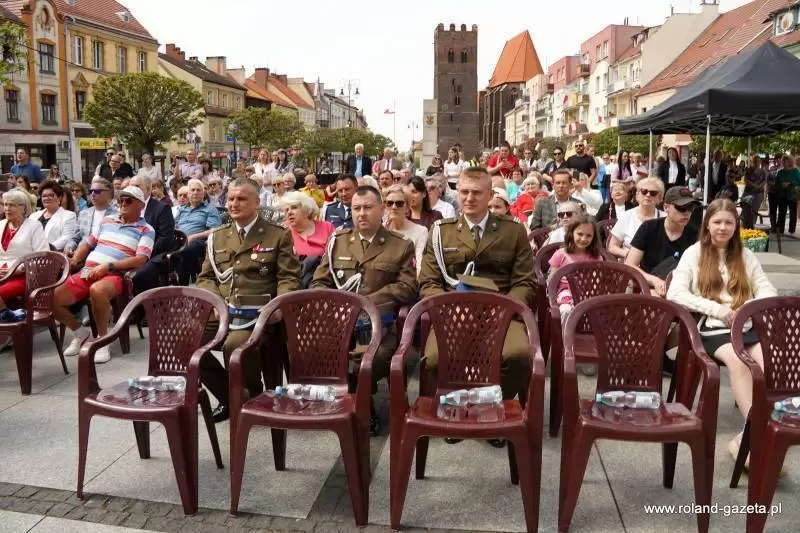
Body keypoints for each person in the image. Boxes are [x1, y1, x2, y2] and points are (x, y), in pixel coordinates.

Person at [418, 166, 535, 448]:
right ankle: (458, 407)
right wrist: (451, 312)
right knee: (434, 359)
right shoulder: (441, 232)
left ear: (489, 195)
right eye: (464, 192)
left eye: (476, 193)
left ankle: (492, 408)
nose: (469, 198)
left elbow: (525, 282)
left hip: (501, 313)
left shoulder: (513, 231)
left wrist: (504, 311)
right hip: (454, 314)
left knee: (518, 356)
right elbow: (429, 282)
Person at [667, 199, 776, 466]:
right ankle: (758, 436)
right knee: (738, 362)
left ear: (736, 225)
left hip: (745, 326)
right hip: (711, 328)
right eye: (717, 222)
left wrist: (746, 308)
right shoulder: (694, 253)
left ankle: (751, 433)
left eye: (729, 222)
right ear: (707, 224)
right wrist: (719, 310)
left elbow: (767, 289)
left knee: (770, 362)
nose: (722, 227)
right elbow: (676, 292)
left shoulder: (745, 255)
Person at [311, 185, 417, 435]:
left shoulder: (400, 245)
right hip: (339, 321)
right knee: (317, 349)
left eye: (368, 207)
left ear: (382, 209)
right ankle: (355, 401)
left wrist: (366, 303)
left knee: (373, 358)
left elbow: (407, 287)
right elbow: (319, 282)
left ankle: (361, 406)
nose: (361, 213)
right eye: (356, 208)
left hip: (379, 323)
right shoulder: (337, 242)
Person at [196, 178, 300, 423]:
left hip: (259, 313)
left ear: (256, 202)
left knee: (235, 345)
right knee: (187, 343)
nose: (234, 204)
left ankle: (253, 393)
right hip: (223, 311)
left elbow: (289, 278)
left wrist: (278, 306)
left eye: (241, 199)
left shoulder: (277, 235)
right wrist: (215, 302)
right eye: (231, 198)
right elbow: (206, 277)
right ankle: (232, 396)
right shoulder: (218, 236)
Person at [54, 186, 155, 363]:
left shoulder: (146, 229)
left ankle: (102, 340)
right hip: (88, 271)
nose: (123, 204)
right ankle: (81, 333)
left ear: (141, 205)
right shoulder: (107, 220)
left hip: (116, 274)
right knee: (51, 298)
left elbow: (141, 259)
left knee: (98, 290)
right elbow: (87, 243)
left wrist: (108, 266)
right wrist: (75, 259)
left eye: (128, 200)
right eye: (120, 200)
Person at [626, 186, 699, 297]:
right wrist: (654, 280)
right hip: (647, 286)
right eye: (681, 208)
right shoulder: (649, 228)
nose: (687, 213)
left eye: (691, 208)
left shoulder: (694, 233)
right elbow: (630, 265)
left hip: (680, 290)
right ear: (666, 207)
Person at [0, 190, 49, 321]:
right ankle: (7, 315)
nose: (7, 208)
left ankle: (7, 316)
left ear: (24, 208)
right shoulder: (0, 225)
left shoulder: (34, 226)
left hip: (22, 276)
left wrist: (20, 268)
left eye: (12, 205)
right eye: (5, 204)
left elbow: (43, 256)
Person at [547, 214, 603, 323]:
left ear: (594, 237)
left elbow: (597, 283)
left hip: (588, 294)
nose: (583, 239)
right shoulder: (560, 254)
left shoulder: (596, 257)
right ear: (571, 233)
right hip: (564, 294)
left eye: (588, 235)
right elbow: (552, 281)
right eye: (580, 234)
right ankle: (564, 334)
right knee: (566, 311)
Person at [129, 175, 176, 294]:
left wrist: (143, 254)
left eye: (137, 186)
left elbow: (165, 238)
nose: (132, 190)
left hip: (154, 254)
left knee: (139, 276)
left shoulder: (161, 208)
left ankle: (143, 305)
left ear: (149, 189)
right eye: (130, 187)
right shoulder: (126, 207)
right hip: (130, 252)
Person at [173, 179, 222, 285]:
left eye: (198, 190)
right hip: (179, 240)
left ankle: (182, 286)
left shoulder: (210, 209)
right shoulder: (182, 209)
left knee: (184, 252)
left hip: (199, 242)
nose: (195, 192)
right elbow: (174, 225)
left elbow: (215, 230)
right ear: (188, 193)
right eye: (193, 190)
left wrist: (193, 237)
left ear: (203, 194)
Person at [608, 177, 665, 260]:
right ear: (637, 195)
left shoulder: (665, 218)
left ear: (659, 198)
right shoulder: (626, 216)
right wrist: (628, 254)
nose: (648, 195)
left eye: (653, 193)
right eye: (644, 191)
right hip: (629, 264)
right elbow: (612, 246)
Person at [382, 185, 427, 274]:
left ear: (407, 207)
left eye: (399, 203)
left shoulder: (420, 231)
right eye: (389, 203)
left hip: (408, 278)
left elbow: (420, 266)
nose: (394, 207)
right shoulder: (381, 230)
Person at [67, 178, 118, 256]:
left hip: (102, 256)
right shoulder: (84, 213)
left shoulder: (117, 215)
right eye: (91, 191)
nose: (93, 194)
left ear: (109, 193)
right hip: (79, 254)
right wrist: (70, 247)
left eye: (97, 191)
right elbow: (75, 238)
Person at [28, 180, 78, 252]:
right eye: (44, 196)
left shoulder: (69, 216)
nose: (47, 198)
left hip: (52, 254)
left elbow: (66, 237)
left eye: (51, 195)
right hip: (31, 253)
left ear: (59, 198)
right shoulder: (34, 216)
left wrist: (45, 249)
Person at [282, 190, 334, 257]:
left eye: (294, 208)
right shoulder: (284, 232)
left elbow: (336, 254)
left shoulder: (327, 227)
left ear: (306, 210)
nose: (289, 212)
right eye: (287, 210)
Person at [775, 154, 800, 234]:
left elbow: (799, 182)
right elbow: (776, 184)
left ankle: (791, 230)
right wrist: (781, 185)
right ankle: (780, 230)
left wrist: (790, 183)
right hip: (782, 195)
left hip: (792, 195)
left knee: (793, 213)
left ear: (790, 162)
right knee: (781, 213)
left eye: (786, 162)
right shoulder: (780, 172)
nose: (784, 164)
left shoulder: (795, 171)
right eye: (783, 162)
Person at [741, 155, 767, 229]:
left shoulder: (763, 171)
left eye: (758, 161)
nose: (757, 163)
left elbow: (764, 181)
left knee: (754, 211)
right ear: (752, 162)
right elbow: (746, 180)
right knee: (746, 210)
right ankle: (745, 226)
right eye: (755, 161)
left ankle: (752, 226)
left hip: (758, 193)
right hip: (748, 192)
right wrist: (754, 185)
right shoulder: (748, 170)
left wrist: (758, 186)